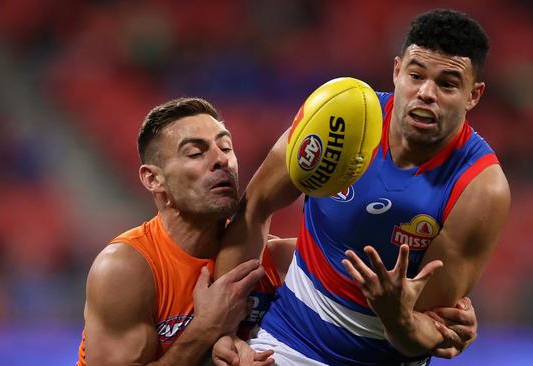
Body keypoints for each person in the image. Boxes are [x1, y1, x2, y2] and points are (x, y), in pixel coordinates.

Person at [214, 8, 510, 366]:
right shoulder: (338, 119)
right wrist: (225, 334)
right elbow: (255, 206)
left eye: (447, 84)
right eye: (416, 75)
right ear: (398, 71)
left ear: (473, 95)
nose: (426, 93)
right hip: (286, 346)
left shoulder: (480, 187)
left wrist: (395, 315)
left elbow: (433, 333)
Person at [76, 97, 280, 366]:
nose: (221, 160)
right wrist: (206, 328)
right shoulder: (124, 269)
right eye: (196, 153)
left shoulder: (268, 257)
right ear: (153, 178)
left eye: (226, 147)